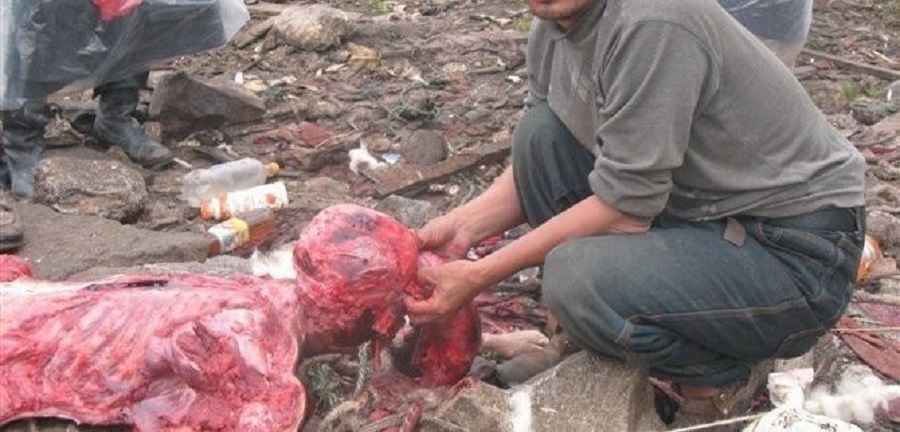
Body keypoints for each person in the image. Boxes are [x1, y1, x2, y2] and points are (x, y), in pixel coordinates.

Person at [404, 0, 866, 428]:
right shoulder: (554, 26)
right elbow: (539, 168)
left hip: (796, 255)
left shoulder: (654, 22)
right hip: (704, 214)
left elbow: (624, 210)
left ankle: (722, 375)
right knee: (541, 134)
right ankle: (596, 338)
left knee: (575, 279)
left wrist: (479, 274)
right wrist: (462, 228)